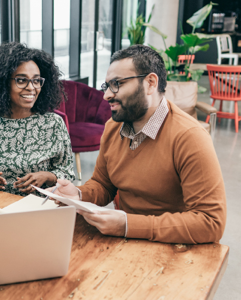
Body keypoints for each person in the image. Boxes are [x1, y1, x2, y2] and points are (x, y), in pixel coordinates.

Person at [50, 45, 226, 244]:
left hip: (176, 247)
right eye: (106, 86)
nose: (107, 95)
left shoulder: (190, 137)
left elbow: (211, 222)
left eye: (117, 84)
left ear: (150, 83)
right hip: (126, 241)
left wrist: (128, 225)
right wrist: (79, 194)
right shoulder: (113, 128)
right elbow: (103, 184)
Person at [0, 42, 75, 197]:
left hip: (40, 209)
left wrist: (47, 176)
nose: (31, 88)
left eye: (36, 80)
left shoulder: (53, 124)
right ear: (1, 83)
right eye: (22, 80)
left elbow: (68, 176)